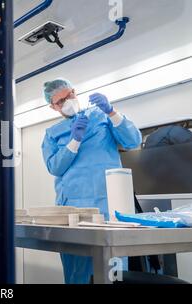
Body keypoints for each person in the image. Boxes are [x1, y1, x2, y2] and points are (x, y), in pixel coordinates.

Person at [41, 79, 142, 284]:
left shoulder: (101, 116)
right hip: (73, 212)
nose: (67, 102)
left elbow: (133, 141)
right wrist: (74, 141)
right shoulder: (52, 133)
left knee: (115, 272)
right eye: (60, 102)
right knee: (77, 272)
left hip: (110, 208)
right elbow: (55, 167)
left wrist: (111, 111)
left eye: (69, 95)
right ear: (53, 107)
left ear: (74, 92)